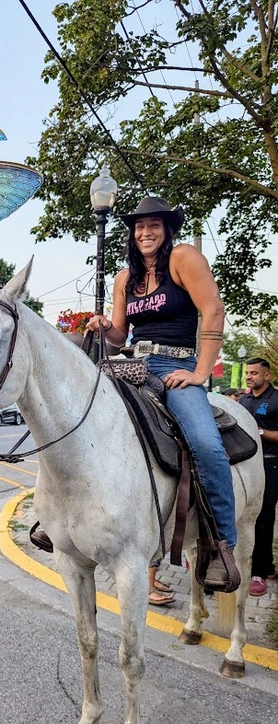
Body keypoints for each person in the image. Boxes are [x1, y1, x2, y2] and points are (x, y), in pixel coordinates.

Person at [87, 196, 239, 589]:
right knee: (78, 415)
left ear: (168, 230)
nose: (145, 232)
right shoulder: (126, 279)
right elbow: (121, 337)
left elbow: (213, 310)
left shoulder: (183, 258)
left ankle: (221, 544)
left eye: (154, 225)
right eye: (139, 227)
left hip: (178, 365)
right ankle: (58, 517)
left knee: (205, 444)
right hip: (130, 364)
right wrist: (104, 326)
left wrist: (201, 371)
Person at [239, 358, 278, 597]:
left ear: (266, 375)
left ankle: (259, 572)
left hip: (271, 464)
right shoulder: (244, 400)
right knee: (244, 516)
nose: (249, 377)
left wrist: (259, 431)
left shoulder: (276, 400)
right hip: (246, 464)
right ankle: (269, 566)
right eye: (247, 373)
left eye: (254, 373)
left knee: (263, 517)